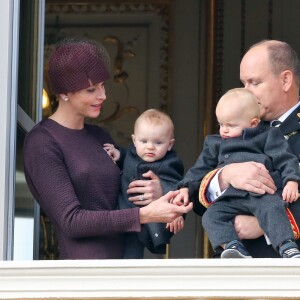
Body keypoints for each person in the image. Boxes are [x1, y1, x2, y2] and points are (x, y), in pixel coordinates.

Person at [23, 37, 192, 260]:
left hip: (129, 262)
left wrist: (159, 192)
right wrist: (142, 215)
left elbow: (127, 191)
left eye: (102, 85)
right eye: (91, 89)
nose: (103, 95)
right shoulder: (43, 141)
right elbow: (71, 222)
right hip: (86, 270)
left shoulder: (99, 136)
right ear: (64, 92)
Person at [195, 39, 300, 258]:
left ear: (286, 80)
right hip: (233, 277)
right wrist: (225, 176)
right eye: (244, 83)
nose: (246, 92)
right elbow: (195, 196)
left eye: (254, 82)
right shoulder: (237, 124)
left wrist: (265, 224)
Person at [175, 88, 300, 258]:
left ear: (253, 123)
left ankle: (287, 246)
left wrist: (292, 180)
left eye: (231, 125)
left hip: (261, 195)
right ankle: (232, 246)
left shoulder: (268, 135)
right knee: (210, 217)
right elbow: (200, 168)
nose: (224, 130)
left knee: (273, 207)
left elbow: (285, 159)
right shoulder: (215, 143)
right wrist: (185, 188)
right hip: (230, 198)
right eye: (221, 124)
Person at [104, 109, 185, 258]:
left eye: (158, 142)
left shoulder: (169, 163)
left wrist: (177, 211)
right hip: (121, 212)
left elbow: (177, 187)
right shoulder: (132, 153)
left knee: (132, 257)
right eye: (144, 141)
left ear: (169, 144)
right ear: (134, 140)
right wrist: (119, 154)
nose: (150, 147)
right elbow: (127, 158)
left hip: (144, 224)